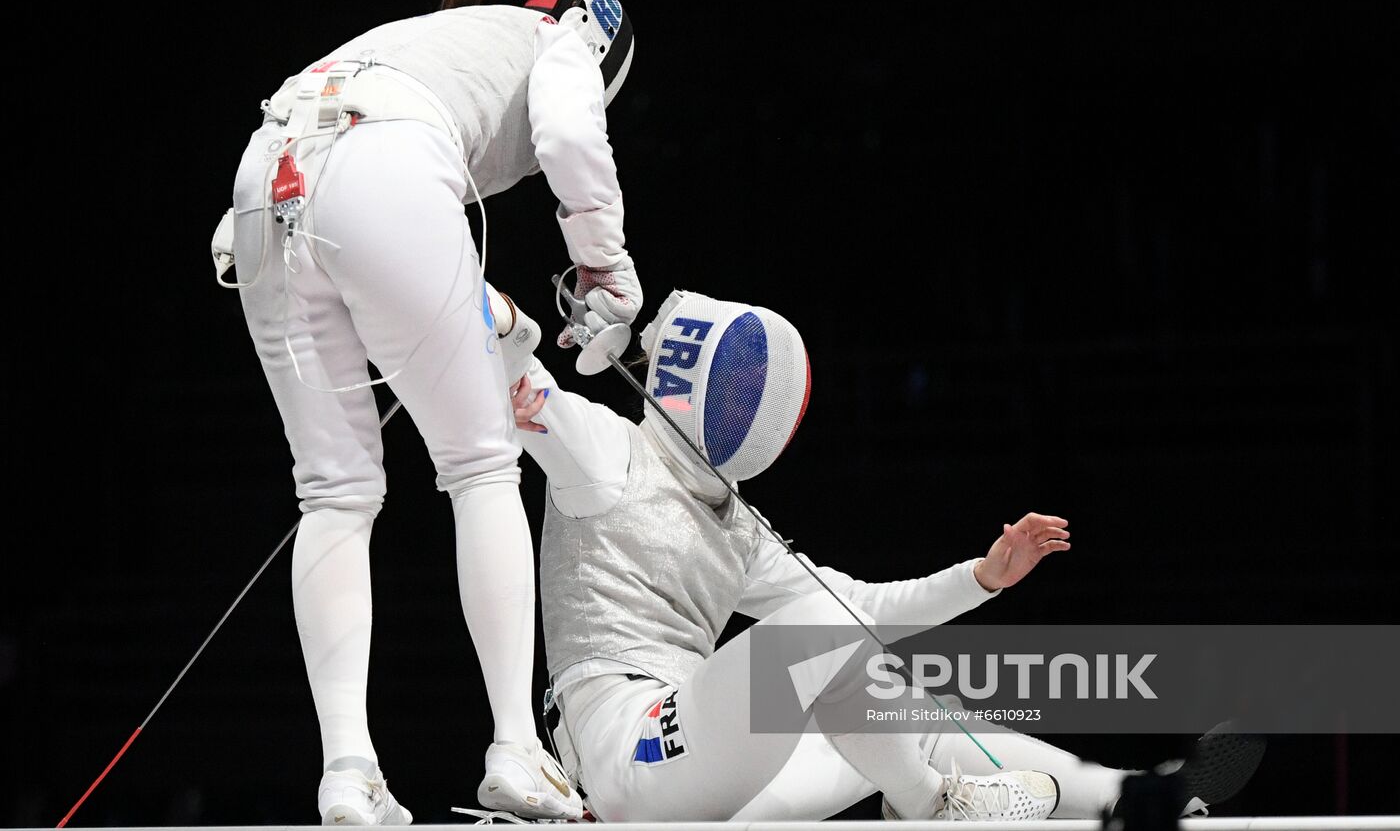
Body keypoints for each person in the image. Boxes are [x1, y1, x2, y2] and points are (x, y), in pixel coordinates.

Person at [484, 288, 1263, 822]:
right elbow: (503, 351)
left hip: (706, 783)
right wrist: (514, 332)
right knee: (822, 636)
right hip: (631, 762)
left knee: (904, 713)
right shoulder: (606, 452)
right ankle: (934, 807)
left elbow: (864, 611)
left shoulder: (736, 527)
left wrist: (984, 577)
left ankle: (1131, 796)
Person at [221, 0, 637, 824]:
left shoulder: (420, 40)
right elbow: (565, 134)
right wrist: (607, 269)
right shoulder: (557, 37)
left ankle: (348, 773)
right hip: (381, 173)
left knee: (333, 493)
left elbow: (351, 189)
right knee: (482, 466)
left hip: (263, 183)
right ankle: (518, 750)